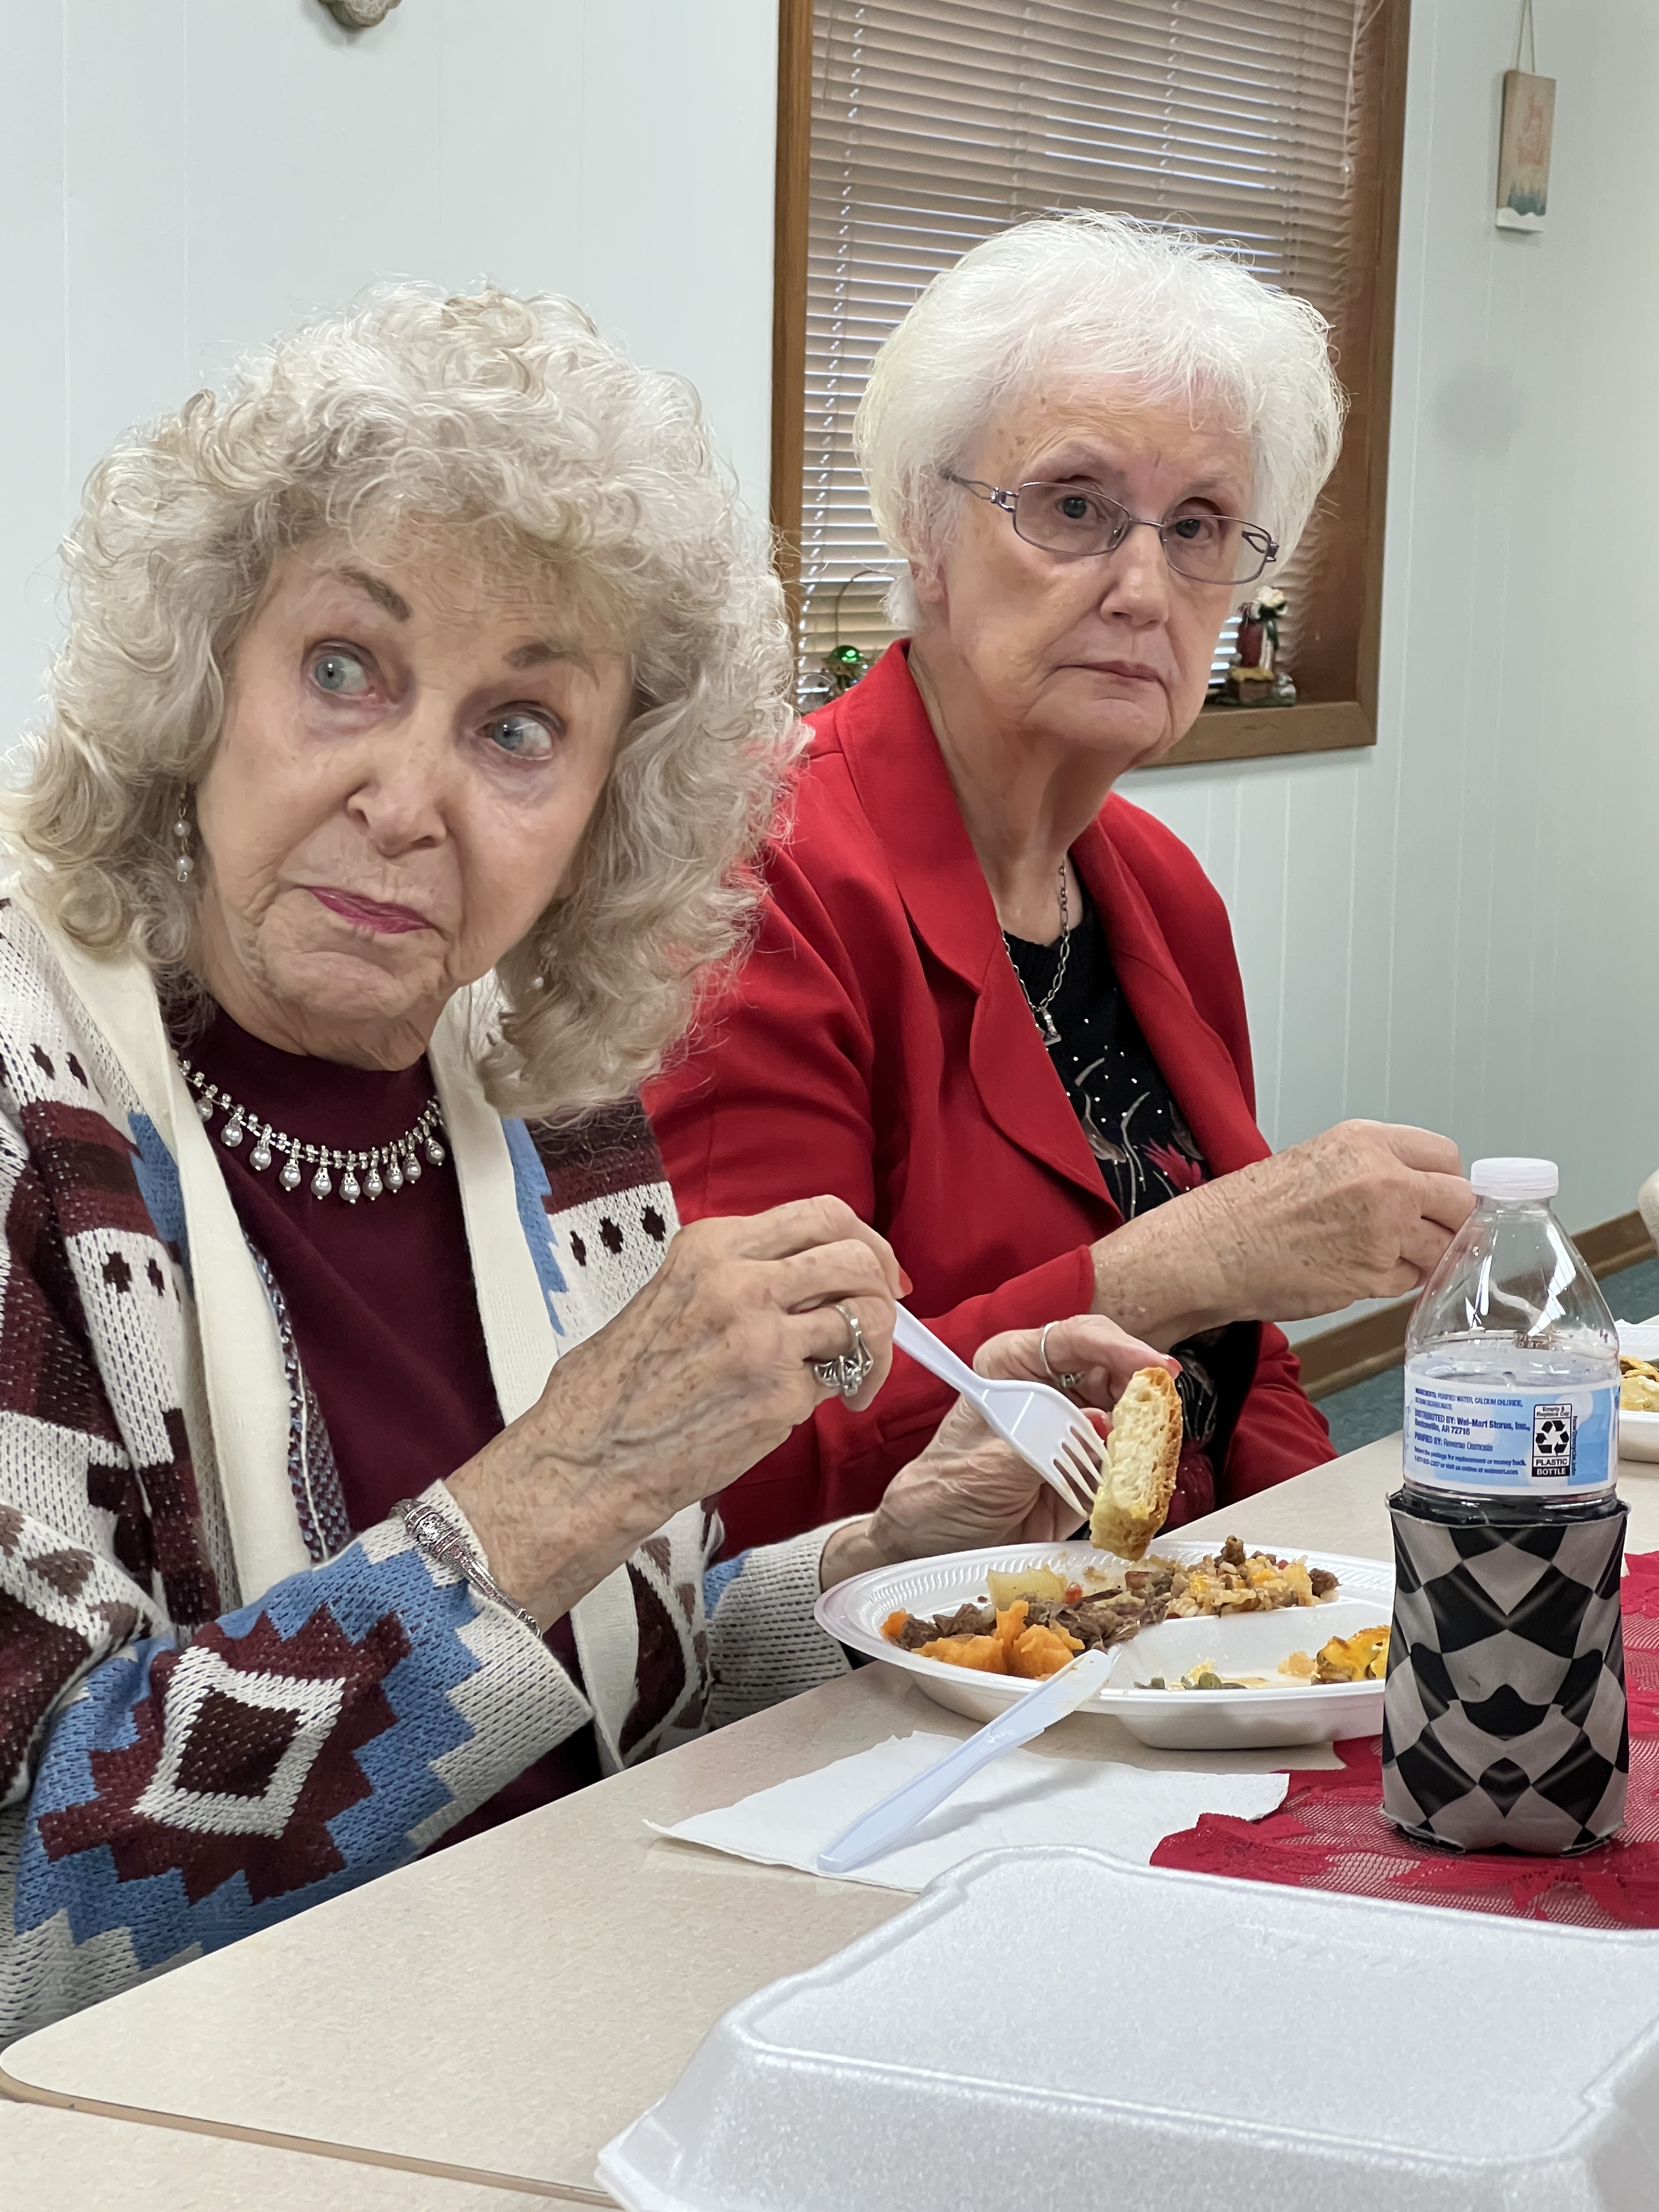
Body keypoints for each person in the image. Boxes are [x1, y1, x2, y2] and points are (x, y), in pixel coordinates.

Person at [0, 286, 1169, 2041]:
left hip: (549, 2015)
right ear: (201, 679)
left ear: (611, 810)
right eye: (343, 670)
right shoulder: (33, 1133)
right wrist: (560, 1487)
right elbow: (26, 1913)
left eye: (518, 729)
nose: (406, 800)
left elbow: (607, 1686)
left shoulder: (546, 1111)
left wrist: (882, 1561)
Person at [649, 215, 1475, 1553]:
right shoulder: (759, 879)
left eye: (1200, 525)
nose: (1145, 587)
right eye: (1075, 506)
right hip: (908, 1644)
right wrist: (1184, 1260)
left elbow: (1244, 1355)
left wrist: (1328, 1576)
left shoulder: (1160, 889)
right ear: (924, 528)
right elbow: (741, 1460)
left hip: (1170, 1617)